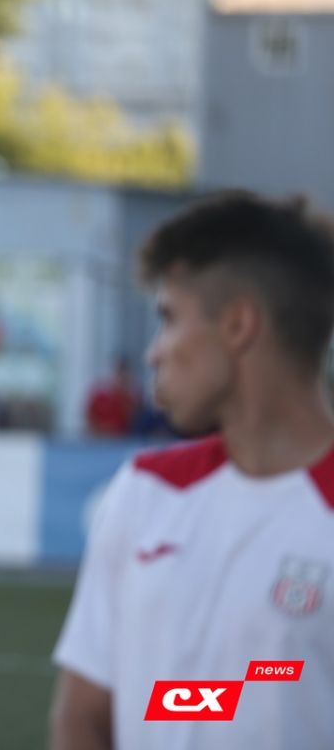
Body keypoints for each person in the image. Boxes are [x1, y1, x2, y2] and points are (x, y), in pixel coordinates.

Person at [50, 191, 334, 750]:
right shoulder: (145, 491)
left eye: (169, 319)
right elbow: (88, 717)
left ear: (238, 325)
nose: (153, 354)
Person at [84, 357, 140, 436]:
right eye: (119, 373)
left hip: (120, 440)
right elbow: (89, 419)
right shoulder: (100, 396)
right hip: (99, 439)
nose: (121, 378)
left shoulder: (130, 399)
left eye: (124, 375)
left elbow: (131, 424)